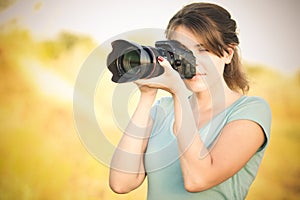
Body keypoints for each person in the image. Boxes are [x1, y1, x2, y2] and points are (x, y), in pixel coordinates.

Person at [109, 2, 272, 200]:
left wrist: (178, 92)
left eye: (203, 50)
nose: (192, 62)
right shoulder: (163, 110)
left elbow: (198, 180)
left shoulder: (250, 111)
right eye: (182, 52)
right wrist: (147, 95)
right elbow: (121, 182)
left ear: (228, 53)